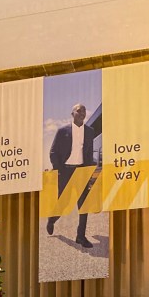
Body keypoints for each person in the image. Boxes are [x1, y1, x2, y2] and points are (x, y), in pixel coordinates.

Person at [46, 103, 96, 248]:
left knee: (84, 204)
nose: (82, 113)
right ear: (72, 113)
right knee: (64, 203)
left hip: (81, 171)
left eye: (84, 111)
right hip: (65, 171)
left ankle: (81, 236)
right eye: (79, 111)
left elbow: (89, 153)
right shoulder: (63, 131)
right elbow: (53, 152)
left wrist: (88, 171)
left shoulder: (90, 131)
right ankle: (52, 219)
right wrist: (59, 170)